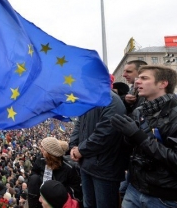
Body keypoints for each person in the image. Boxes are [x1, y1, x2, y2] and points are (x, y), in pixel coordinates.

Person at [111, 65, 177, 207]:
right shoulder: (139, 111)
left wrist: (138, 135)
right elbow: (133, 150)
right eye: (138, 78)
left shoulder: (175, 114)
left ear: (163, 83)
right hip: (135, 189)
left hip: (164, 197)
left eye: (144, 78)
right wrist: (128, 137)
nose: (137, 82)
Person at [69, 91, 127, 208]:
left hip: (104, 168)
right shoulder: (89, 99)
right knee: (88, 204)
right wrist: (73, 146)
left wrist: (81, 150)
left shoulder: (112, 101)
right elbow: (79, 124)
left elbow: (105, 133)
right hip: (86, 164)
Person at [27, 137, 82, 208]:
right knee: (34, 179)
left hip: (58, 200)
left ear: (50, 152)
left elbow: (75, 191)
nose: (41, 149)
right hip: (42, 196)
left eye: (43, 148)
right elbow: (33, 174)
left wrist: (56, 189)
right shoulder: (40, 160)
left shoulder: (68, 168)